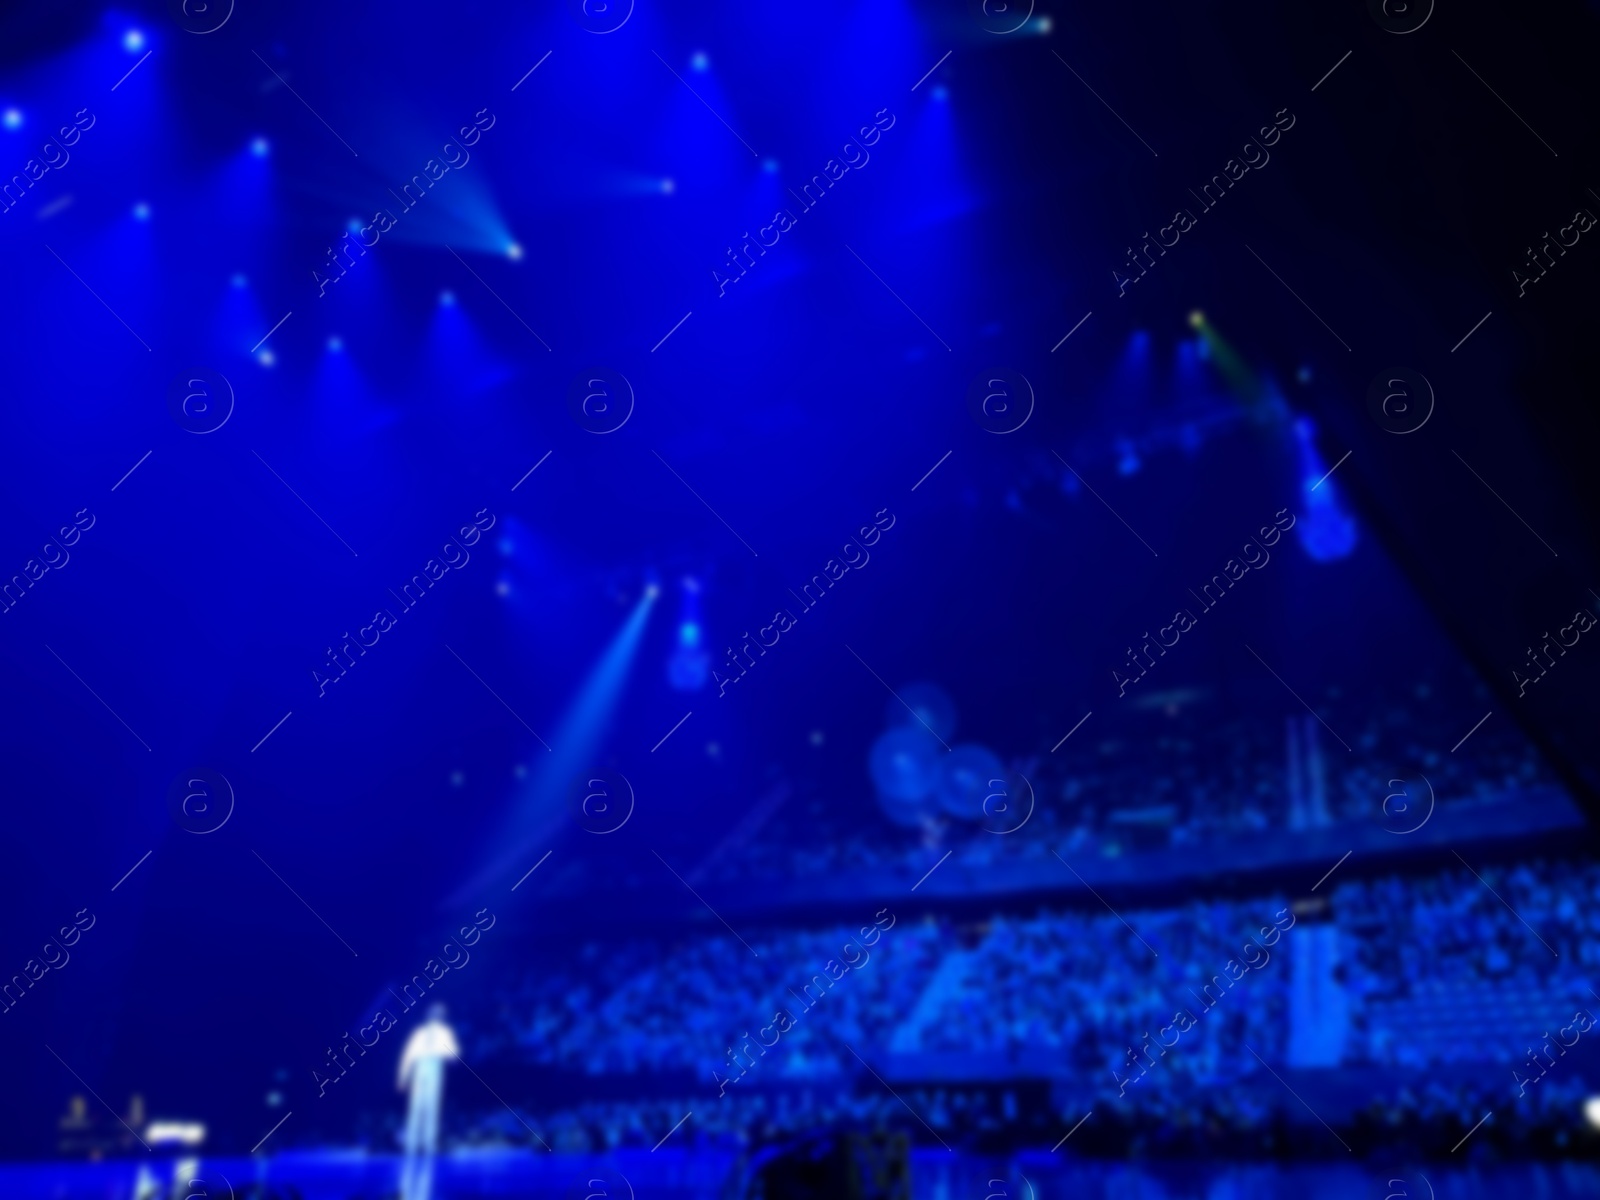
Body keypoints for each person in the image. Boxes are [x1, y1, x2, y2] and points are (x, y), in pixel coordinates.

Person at [397, 1003, 459, 1200]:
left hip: (434, 1066)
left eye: (439, 1014)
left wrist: (440, 1050)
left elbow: (453, 1055)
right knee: (416, 1108)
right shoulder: (419, 1033)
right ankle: (412, 1144)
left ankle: (428, 1144)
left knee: (432, 1108)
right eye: (433, 1013)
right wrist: (403, 1076)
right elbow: (408, 1055)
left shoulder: (445, 1033)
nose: (436, 1016)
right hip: (421, 1067)